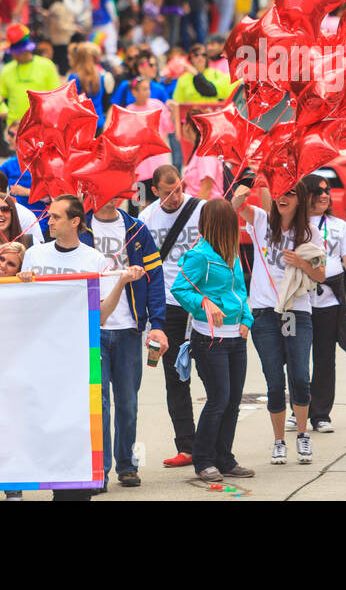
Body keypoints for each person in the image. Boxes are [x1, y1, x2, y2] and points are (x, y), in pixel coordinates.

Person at [21, 194, 142, 501]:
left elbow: (101, 315)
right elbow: (23, 307)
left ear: (75, 221)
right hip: (43, 354)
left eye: (55, 217)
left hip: (76, 353)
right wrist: (19, 282)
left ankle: (81, 480)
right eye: (49, 216)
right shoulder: (34, 255)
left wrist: (120, 284)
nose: (49, 221)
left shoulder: (93, 260)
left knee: (83, 417)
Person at [236, 178, 325, 465]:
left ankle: (302, 435)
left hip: (295, 310)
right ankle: (278, 441)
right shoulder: (261, 220)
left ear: (300, 199)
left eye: (290, 193)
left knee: (300, 376)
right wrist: (246, 186)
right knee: (274, 380)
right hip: (263, 313)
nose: (283, 198)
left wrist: (301, 263)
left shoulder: (310, 232)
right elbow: (234, 207)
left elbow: (321, 274)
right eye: (279, 193)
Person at [170, 198, 257, 484]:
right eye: (233, 223)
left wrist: (246, 319)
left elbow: (241, 288)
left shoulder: (230, 251)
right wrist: (205, 303)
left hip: (236, 338)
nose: (237, 227)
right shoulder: (199, 256)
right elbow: (180, 289)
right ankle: (203, 459)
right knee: (218, 398)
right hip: (209, 340)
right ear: (221, 225)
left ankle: (225, 457)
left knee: (232, 401)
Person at [85, 195, 166, 488]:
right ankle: (100, 472)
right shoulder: (81, 227)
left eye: (113, 193)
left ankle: (126, 464)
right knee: (100, 403)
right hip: (94, 329)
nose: (108, 199)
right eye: (101, 193)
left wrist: (157, 325)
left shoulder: (137, 229)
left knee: (128, 403)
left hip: (130, 328)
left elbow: (155, 279)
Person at [136, 165, 204, 468]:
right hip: (167, 303)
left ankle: (214, 445)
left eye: (178, 188)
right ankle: (187, 446)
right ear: (155, 191)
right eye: (167, 192)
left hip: (202, 300)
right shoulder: (146, 217)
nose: (175, 196)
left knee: (215, 376)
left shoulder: (202, 209)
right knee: (176, 377)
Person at [305, 175, 346, 433]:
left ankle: (321, 414)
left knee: (325, 358)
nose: (325, 196)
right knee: (297, 358)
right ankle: (299, 408)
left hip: (329, 303)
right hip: (300, 303)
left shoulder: (339, 226)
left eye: (327, 191)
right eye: (318, 192)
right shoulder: (293, 225)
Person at [0, 23, 61, 137]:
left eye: (17, 52)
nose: (14, 56)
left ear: (27, 50)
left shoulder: (46, 66)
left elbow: (57, 97)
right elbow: (0, 99)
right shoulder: (6, 70)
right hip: (14, 129)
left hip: (41, 128)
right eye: (13, 52)